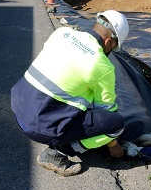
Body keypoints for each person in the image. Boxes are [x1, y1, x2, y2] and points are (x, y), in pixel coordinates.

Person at [11, 10, 130, 176]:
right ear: (109, 41)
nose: (111, 51)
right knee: (115, 125)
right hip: (37, 125)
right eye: (113, 47)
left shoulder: (62, 33)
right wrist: (113, 146)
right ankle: (57, 153)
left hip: (19, 107)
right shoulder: (102, 65)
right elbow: (107, 111)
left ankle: (57, 134)